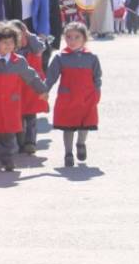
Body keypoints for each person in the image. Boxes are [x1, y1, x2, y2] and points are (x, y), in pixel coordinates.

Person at [0, 21, 48, 171]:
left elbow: (31, 76)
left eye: (11, 42)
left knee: (9, 133)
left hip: (12, 104)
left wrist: (41, 90)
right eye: (4, 43)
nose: (8, 46)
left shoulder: (19, 61)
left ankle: (7, 159)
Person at [44, 22, 102, 167]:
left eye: (77, 37)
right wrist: (44, 91)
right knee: (67, 126)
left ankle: (81, 143)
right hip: (67, 98)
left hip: (87, 98)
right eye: (69, 37)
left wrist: (96, 94)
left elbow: (97, 78)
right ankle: (68, 153)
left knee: (85, 124)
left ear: (84, 39)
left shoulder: (92, 58)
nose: (72, 40)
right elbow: (50, 77)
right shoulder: (60, 58)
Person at [10, 19, 48, 155]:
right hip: (16, 87)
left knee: (31, 116)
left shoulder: (33, 46)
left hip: (31, 87)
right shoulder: (10, 49)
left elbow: (40, 47)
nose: (20, 39)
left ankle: (30, 142)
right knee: (17, 115)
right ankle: (21, 143)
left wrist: (30, 35)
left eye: (22, 35)